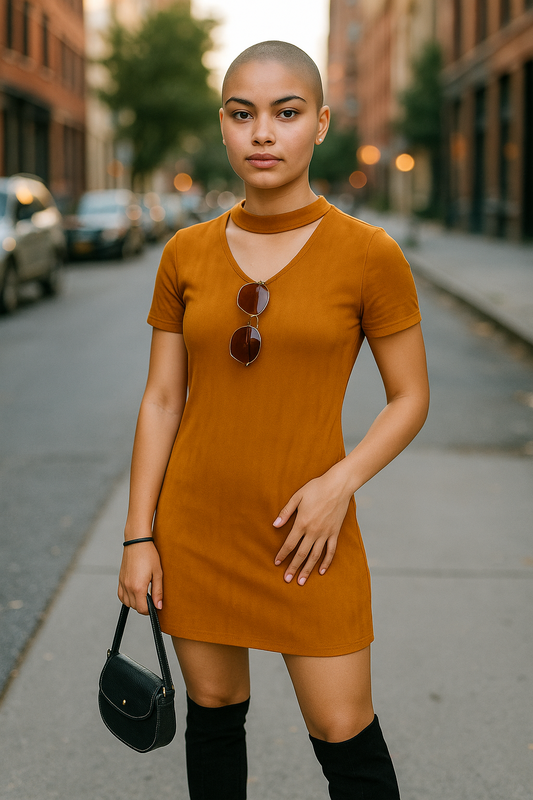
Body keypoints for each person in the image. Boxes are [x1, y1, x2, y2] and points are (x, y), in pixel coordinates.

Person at [118, 40, 429, 800]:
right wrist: (138, 536)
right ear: (222, 126)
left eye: (285, 113)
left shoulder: (369, 254)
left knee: (343, 731)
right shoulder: (183, 254)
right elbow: (161, 400)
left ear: (318, 122)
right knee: (215, 714)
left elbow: (410, 397)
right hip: (196, 528)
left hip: (308, 533)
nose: (263, 133)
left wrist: (340, 484)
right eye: (242, 113)